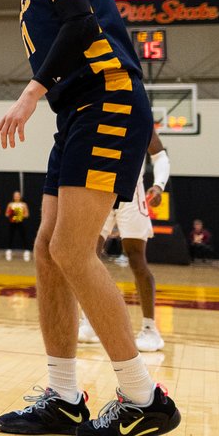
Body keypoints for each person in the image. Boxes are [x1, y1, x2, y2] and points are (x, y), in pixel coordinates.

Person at [0, 0, 180, 435]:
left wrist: (29, 95)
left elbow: (80, 24)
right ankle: (64, 397)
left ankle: (145, 399)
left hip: (109, 100)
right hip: (77, 110)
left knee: (73, 251)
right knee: (49, 251)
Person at [79, 130, 173, 352]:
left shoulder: (138, 114)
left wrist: (158, 185)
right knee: (87, 258)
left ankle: (151, 329)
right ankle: (90, 321)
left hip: (132, 193)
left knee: (136, 259)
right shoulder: (99, 112)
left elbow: (160, 156)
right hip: (100, 191)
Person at [5, 191, 31, 261]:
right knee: (10, 237)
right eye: (15, 195)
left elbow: (27, 214)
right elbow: (6, 214)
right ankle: (9, 252)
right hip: (12, 222)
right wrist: (12, 214)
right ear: (13, 197)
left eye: (18, 195)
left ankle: (26, 252)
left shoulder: (23, 204)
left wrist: (20, 214)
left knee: (24, 237)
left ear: (20, 196)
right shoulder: (10, 204)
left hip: (20, 222)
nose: (16, 197)